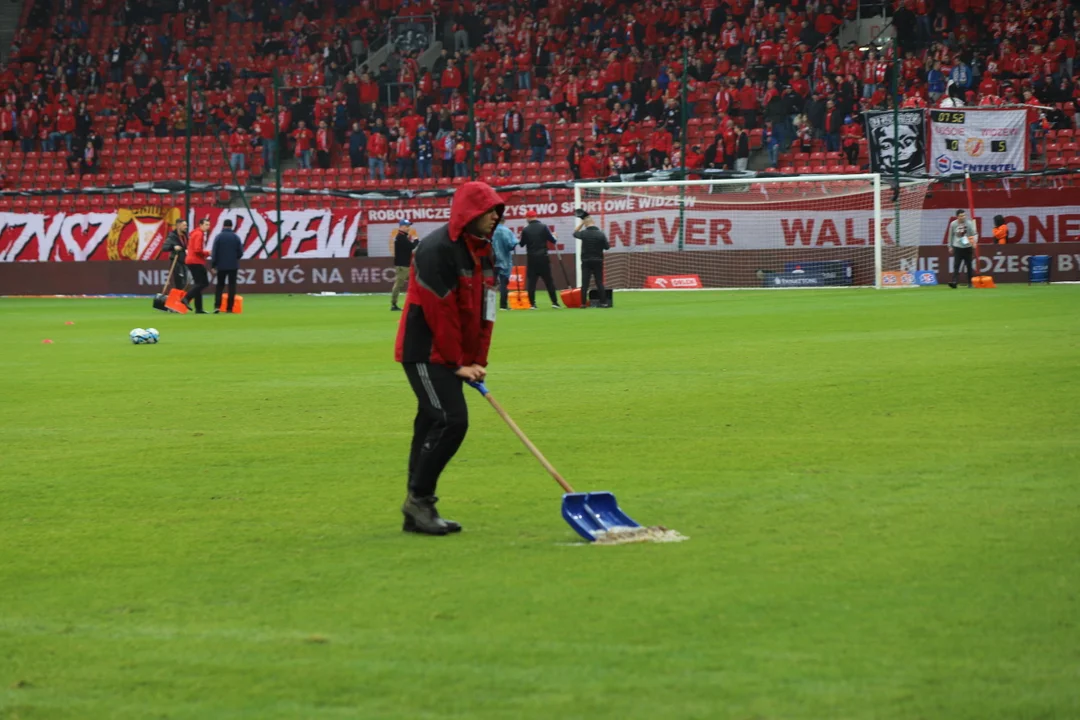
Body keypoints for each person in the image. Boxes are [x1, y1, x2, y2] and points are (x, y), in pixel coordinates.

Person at [393, 181, 505, 535]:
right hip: (425, 351)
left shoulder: (484, 250)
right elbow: (440, 312)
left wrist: (477, 360)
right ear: (468, 213)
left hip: (454, 353)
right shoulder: (434, 249)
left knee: (431, 421)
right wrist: (458, 363)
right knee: (451, 420)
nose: (494, 218)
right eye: (488, 211)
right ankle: (420, 500)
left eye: (496, 212)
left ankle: (416, 508)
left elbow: (488, 310)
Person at [518, 210, 561, 309]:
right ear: (535, 216)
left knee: (531, 282)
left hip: (531, 258)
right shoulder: (544, 227)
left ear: (528, 218)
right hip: (543, 257)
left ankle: (532, 304)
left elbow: (521, 244)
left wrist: (522, 235)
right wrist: (555, 235)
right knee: (549, 281)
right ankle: (555, 303)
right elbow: (553, 240)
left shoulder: (526, 229)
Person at [573, 209, 609, 308]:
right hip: (598, 260)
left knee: (585, 283)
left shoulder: (584, 233)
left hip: (586, 261)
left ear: (585, 224)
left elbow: (575, 233)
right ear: (594, 222)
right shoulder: (601, 234)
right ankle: (604, 303)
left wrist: (581, 223)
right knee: (599, 282)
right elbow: (607, 247)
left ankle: (583, 304)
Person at [211, 218, 243, 313]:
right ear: (231, 226)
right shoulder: (236, 237)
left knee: (220, 286)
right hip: (233, 265)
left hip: (221, 266)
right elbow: (240, 252)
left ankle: (217, 306)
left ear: (223, 225)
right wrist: (234, 258)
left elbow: (214, 252)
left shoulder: (219, 237)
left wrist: (213, 265)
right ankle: (230, 308)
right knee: (232, 286)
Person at [182, 216, 212, 313]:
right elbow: (197, 250)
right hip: (196, 261)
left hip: (191, 260)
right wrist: (207, 253)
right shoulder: (199, 234)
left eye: (209, 225)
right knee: (203, 283)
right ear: (201, 225)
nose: (208, 227)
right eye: (206, 225)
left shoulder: (195, 233)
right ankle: (186, 298)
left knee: (198, 284)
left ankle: (199, 308)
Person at [390, 218, 419, 311]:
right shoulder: (401, 237)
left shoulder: (401, 237)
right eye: (406, 226)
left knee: (413, 283)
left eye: (408, 226)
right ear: (401, 227)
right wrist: (416, 240)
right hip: (403, 266)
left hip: (404, 265)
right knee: (399, 284)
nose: (408, 228)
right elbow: (411, 247)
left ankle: (414, 302)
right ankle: (394, 304)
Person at [947, 209, 977, 288]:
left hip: (967, 247)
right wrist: (950, 246)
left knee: (969, 265)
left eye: (964, 215)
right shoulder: (953, 224)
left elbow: (974, 234)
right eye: (961, 216)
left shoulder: (969, 223)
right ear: (957, 217)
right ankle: (954, 282)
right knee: (956, 265)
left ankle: (970, 283)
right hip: (957, 247)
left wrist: (974, 242)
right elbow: (951, 235)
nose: (963, 217)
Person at [492, 218, 517, 310]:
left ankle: (487, 306)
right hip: (504, 261)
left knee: (490, 284)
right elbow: (511, 245)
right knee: (503, 283)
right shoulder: (507, 231)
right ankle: (503, 305)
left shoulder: (490, 230)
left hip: (491, 261)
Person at [162, 219, 189, 293]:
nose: (186, 227)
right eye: (184, 225)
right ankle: (178, 300)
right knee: (180, 283)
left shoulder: (185, 235)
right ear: (178, 226)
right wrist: (173, 247)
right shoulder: (172, 236)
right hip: (177, 262)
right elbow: (164, 248)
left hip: (185, 262)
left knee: (185, 283)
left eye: (186, 225)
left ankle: (182, 299)